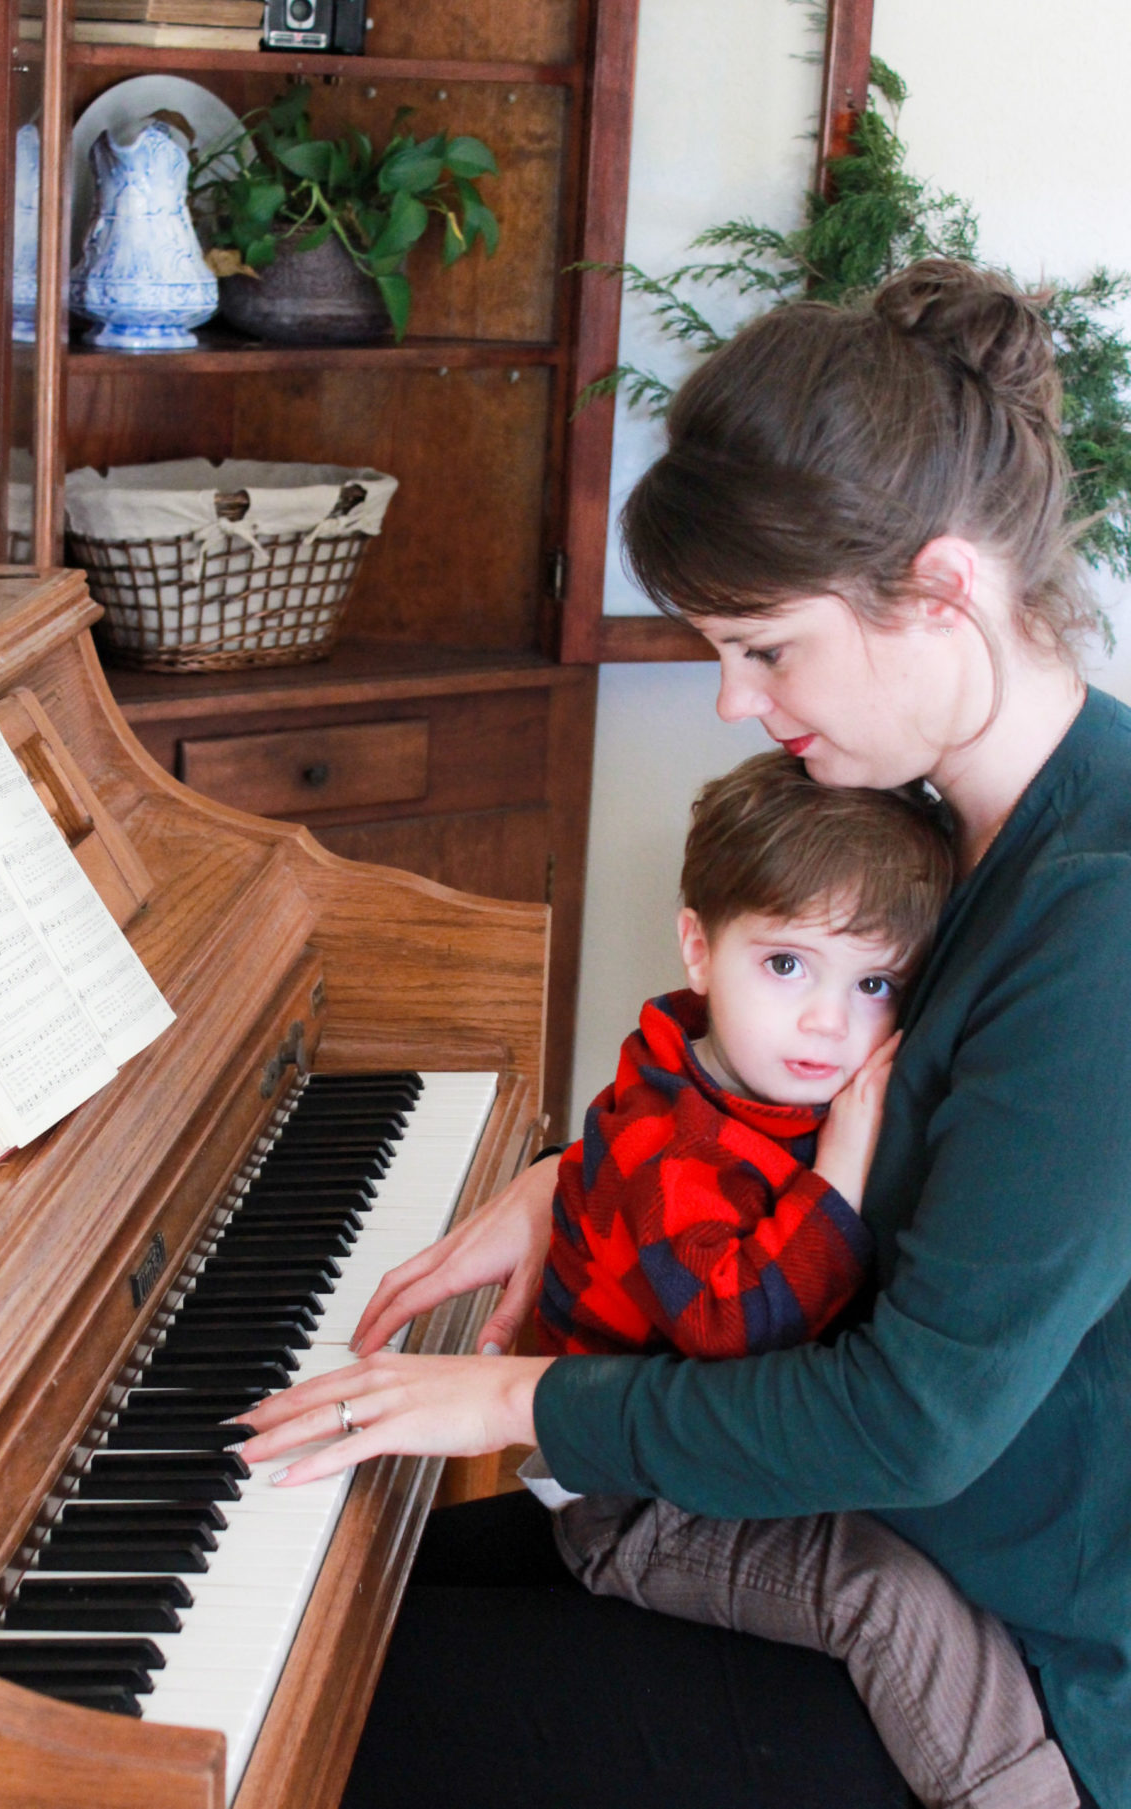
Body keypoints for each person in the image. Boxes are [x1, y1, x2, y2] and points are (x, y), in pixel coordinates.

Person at [237, 259, 1130, 1809]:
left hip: (1012, 1650)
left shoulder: (1105, 916)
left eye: (766, 647)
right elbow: (811, 1126)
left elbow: (913, 1418)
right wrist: (575, 1178)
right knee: (315, 1601)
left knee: (313, 1731)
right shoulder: (930, 825)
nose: (732, 703)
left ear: (940, 589)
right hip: (833, 1526)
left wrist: (511, 1399)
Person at [530, 749, 1075, 1809]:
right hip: (638, 1502)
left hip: (738, 1456)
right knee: (886, 1599)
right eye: (786, 965)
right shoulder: (666, 1139)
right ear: (698, 947)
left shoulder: (773, 1082)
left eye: (873, 984)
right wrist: (838, 1174)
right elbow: (735, 1327)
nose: (828, 1022)